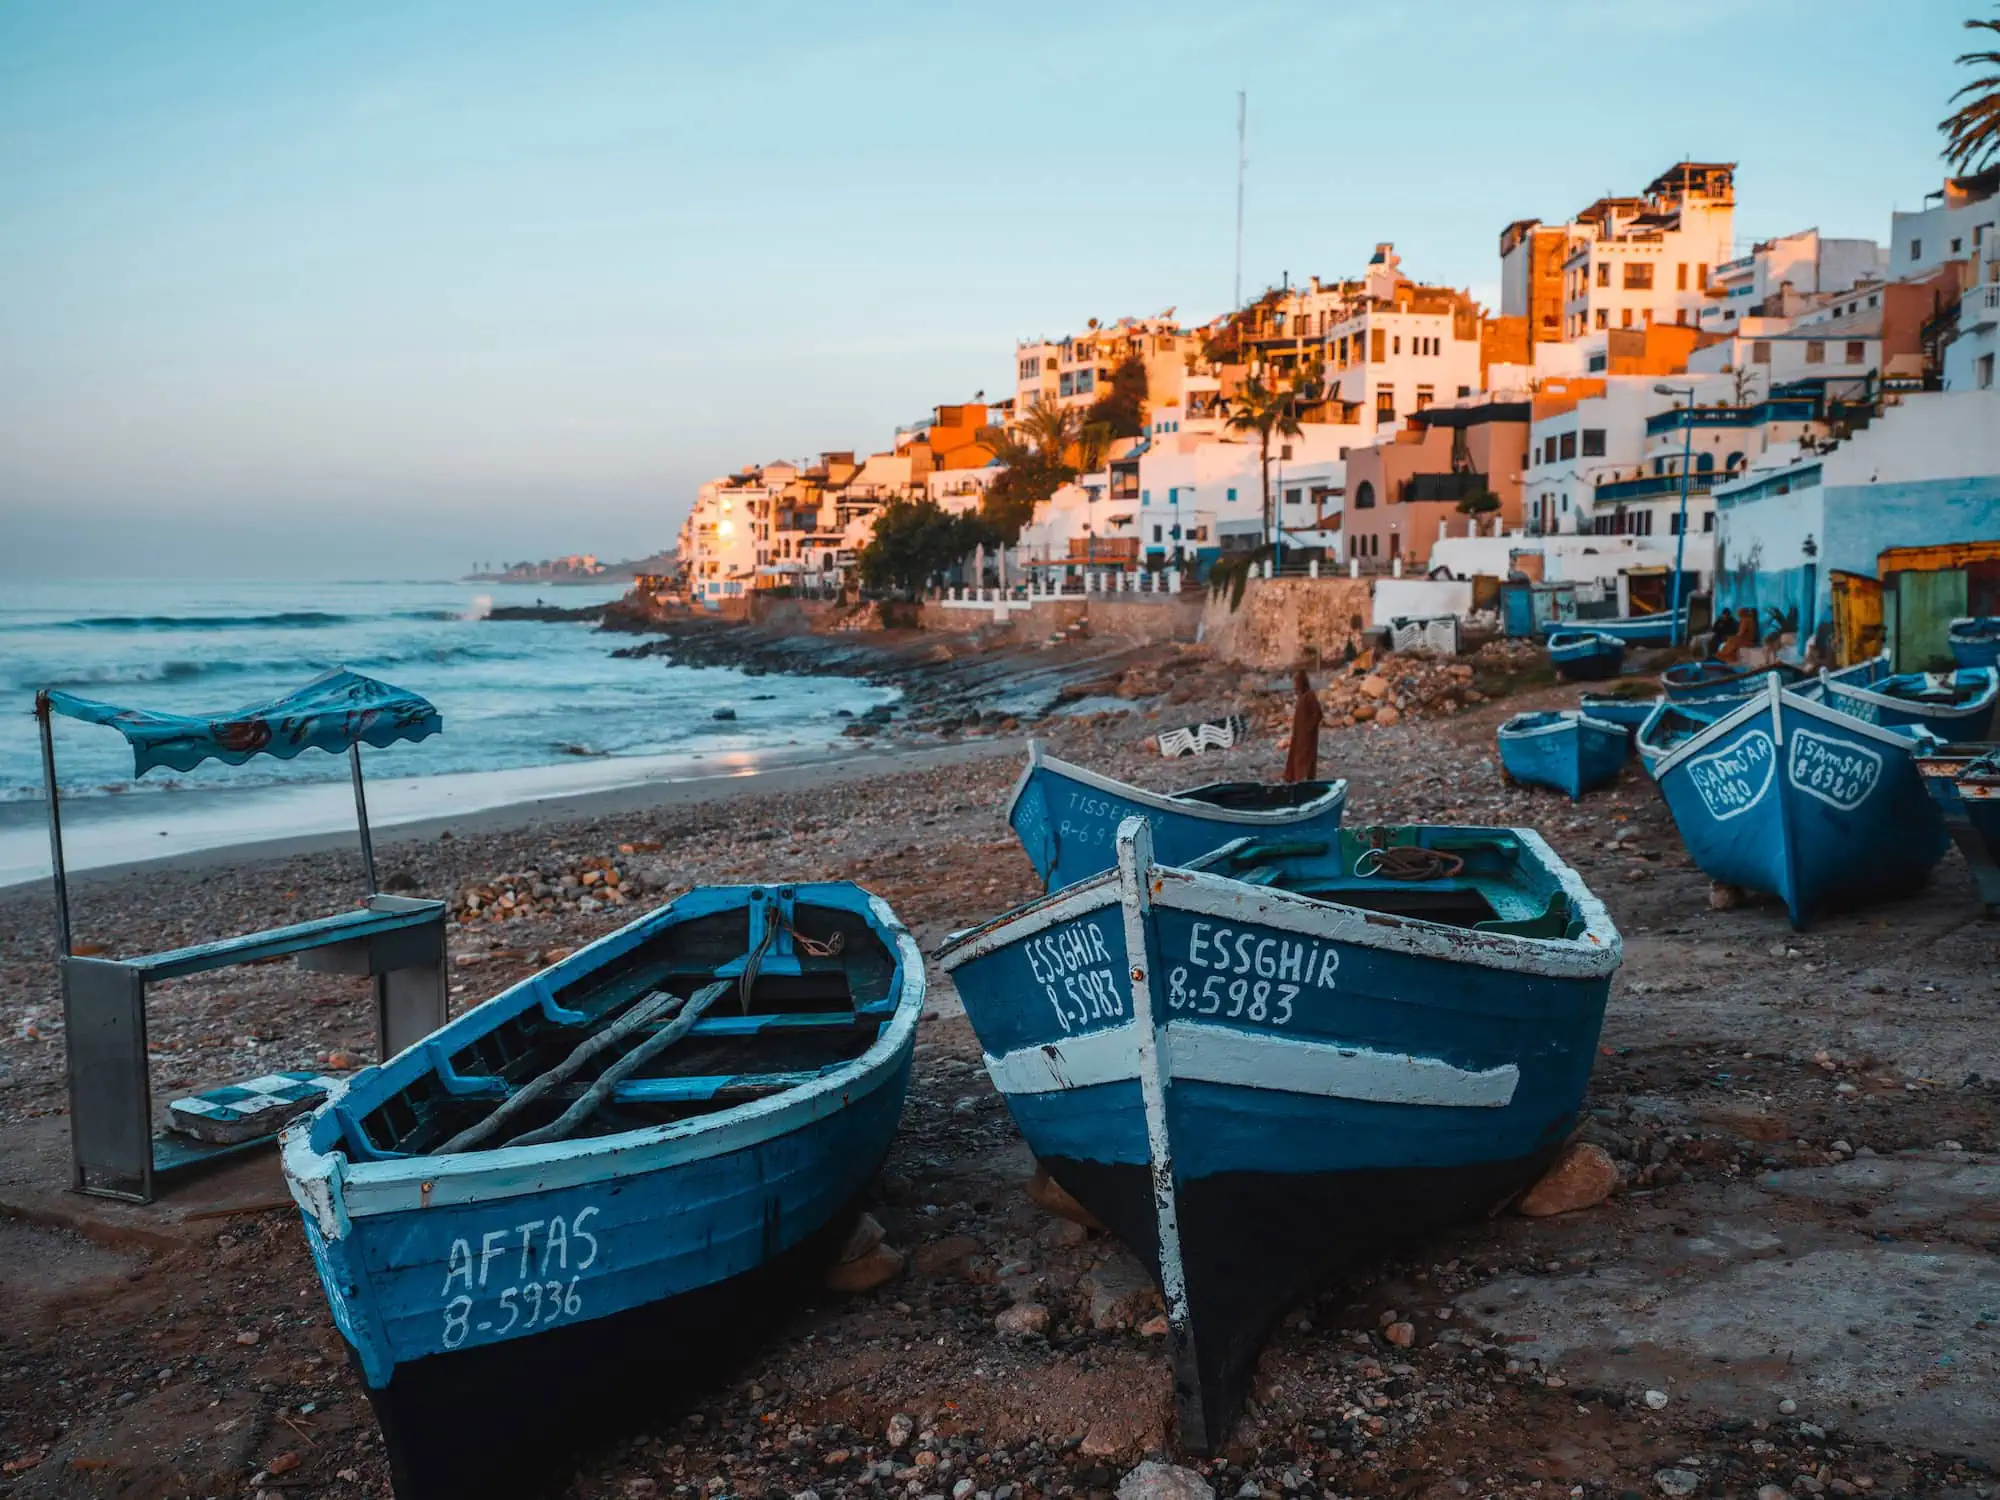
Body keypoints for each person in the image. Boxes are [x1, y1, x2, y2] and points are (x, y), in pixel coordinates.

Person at [1283, 669, 1324, 783]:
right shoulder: (1302, 697)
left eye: (1297, 682)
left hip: (1307, 737)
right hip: (1299, 736)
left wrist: (1308, 729)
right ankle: (1296, 779)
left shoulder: (1309, 696)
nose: (1295, 685)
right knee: (1297, 758)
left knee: (1305, 759)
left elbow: (1318, 714)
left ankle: (1304, 781)